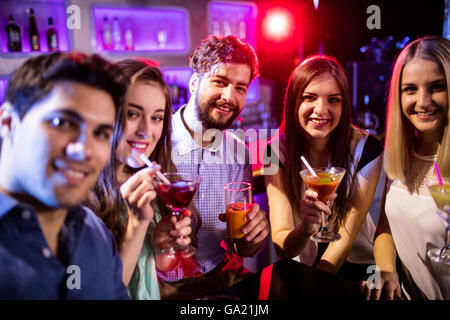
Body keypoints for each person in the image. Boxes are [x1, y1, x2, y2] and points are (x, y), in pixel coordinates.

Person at [0, 52, 129, 299]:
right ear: (8, 122)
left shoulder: (93, 231)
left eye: (101, 133)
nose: (84, 150)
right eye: (62, 122)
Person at [161, 35, 270, 298]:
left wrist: (250, 241)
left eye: (240, 88)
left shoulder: (238, 152)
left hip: (217, 279)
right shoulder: (155, 141)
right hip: (158, 284)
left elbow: (238, 246)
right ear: (195, 82)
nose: (229, 97)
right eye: (220, 82)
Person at [264, 55, 383, 281]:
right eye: (309, 97)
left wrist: (316, 288)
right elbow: (282, 244)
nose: (321, 110)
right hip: (301, 266)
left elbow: (346, 237)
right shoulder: (275, 152)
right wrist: (306, 228)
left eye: (333, 100)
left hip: (357, 270)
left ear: (344, 104)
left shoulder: (366, 148)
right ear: (294, 102)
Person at [84, 58, 195, 300]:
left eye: (156, 117)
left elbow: (151, 271)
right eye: (133, 114)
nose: (146, 131)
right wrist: (136, 225)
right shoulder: (76, 194)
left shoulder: (147, 180)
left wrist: (161, 245)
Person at [363, 36, 449, 300]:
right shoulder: (402, 156)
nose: (423, 102)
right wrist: (386, 270)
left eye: (436, 87)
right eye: (410, 89)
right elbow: (385, 229)